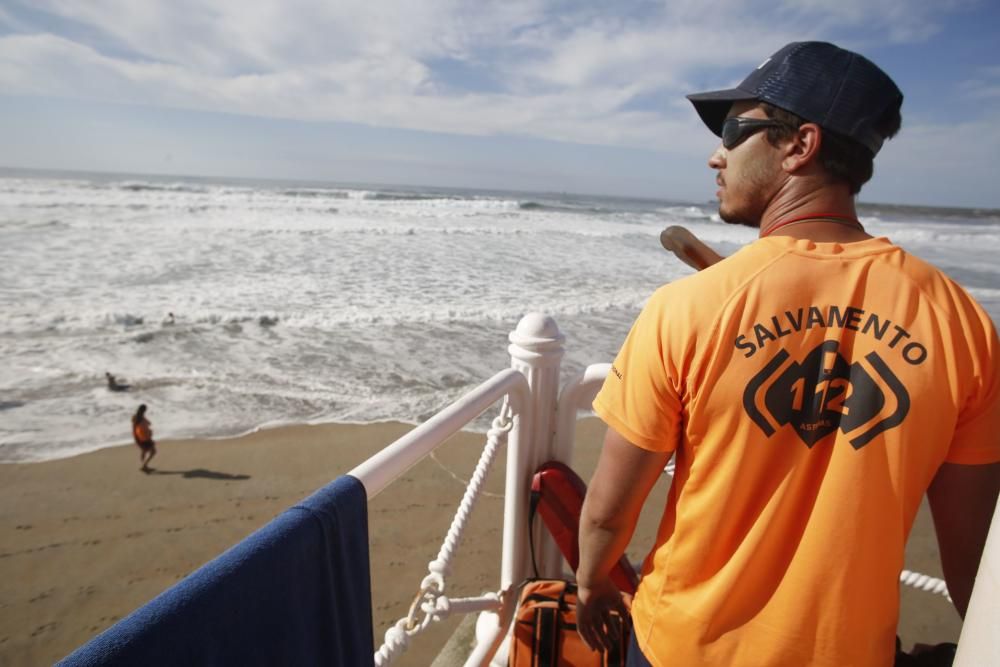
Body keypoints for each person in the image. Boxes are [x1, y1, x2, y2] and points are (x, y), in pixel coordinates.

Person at [576, 42, 1000, 667]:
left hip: (681, 649)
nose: (715, 154)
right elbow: (977, 566)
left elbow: (608, 513)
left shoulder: (689, 308)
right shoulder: (960, 323)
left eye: (733, 130)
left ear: (800, 145)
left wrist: (592, 581)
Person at [132, 404, 157, 472]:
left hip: (139, 438)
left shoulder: (135, 417)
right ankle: (144, 466)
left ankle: (143, 465)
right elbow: (147, 425)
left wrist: (136, 438)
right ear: (144, 410)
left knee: (144, 451)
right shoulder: (141, 418)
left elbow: (134, 429)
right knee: (153, 452)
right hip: (145, 438)